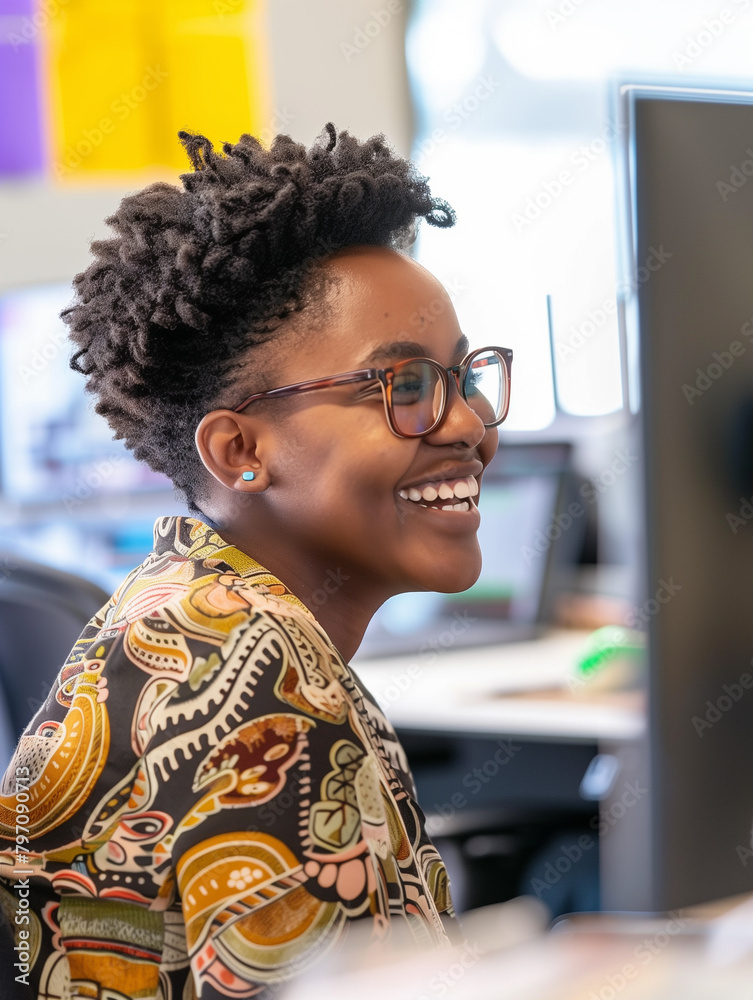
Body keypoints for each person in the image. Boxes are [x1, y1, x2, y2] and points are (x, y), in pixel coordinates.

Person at [0, 123, 512, 998]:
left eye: (461, 378)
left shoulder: (190, 609)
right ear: (239, 448)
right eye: (402, 387)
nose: (467, 423)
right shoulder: (262, 691)